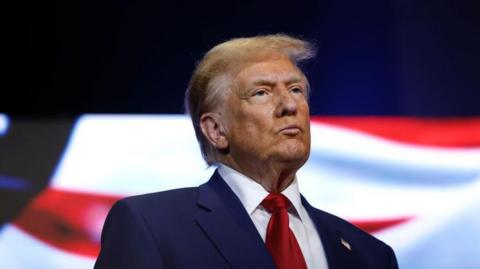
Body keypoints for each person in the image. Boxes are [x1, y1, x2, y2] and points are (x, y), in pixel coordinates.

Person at [94, 34, 399, 269]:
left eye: (295, 90)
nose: (289, 105)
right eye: (261, 93)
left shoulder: (369, 254)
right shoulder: (152, 225)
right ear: (216, 130)